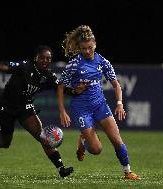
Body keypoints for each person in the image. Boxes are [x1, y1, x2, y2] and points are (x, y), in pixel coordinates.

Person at [0, 45, 87, 178]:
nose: (45, 61)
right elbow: (2, 66)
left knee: (43, 137)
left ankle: (61, 169)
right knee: (5, 143)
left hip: (25, 107)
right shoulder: (25, 66)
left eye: (48, 58)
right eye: (42, 57)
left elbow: (62, 89)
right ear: (35, 58)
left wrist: (75, 91)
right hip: (6, 107)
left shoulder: (48, 75)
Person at [57, 25, 141, 180]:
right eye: (83, 49)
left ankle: (127, 172)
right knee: (96, 150)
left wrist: (120, 103)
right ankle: (83, 139)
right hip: (81, 108)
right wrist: (63, 110)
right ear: (80, 48)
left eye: (90, 47)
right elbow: (61, 87)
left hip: (100, 105)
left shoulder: (103, 62)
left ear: (95, 43)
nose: (87, 51)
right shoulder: (74, 63)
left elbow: (116, 85)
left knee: (116, 140)